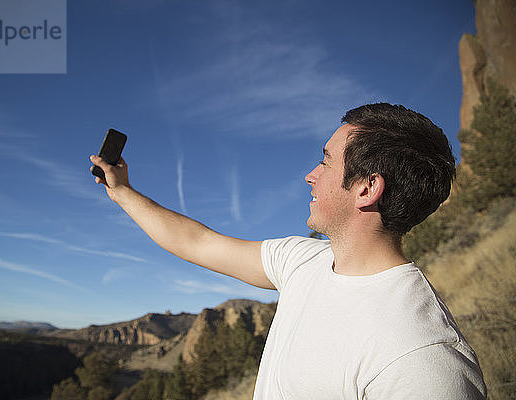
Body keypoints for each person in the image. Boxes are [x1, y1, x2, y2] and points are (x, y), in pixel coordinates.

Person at [90, 103, 486, 399]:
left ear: (367, 187)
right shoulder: (303, 261)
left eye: (326, 162)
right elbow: (198, 242)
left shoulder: (422, 360)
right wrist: (123, 192)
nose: (310, 176)